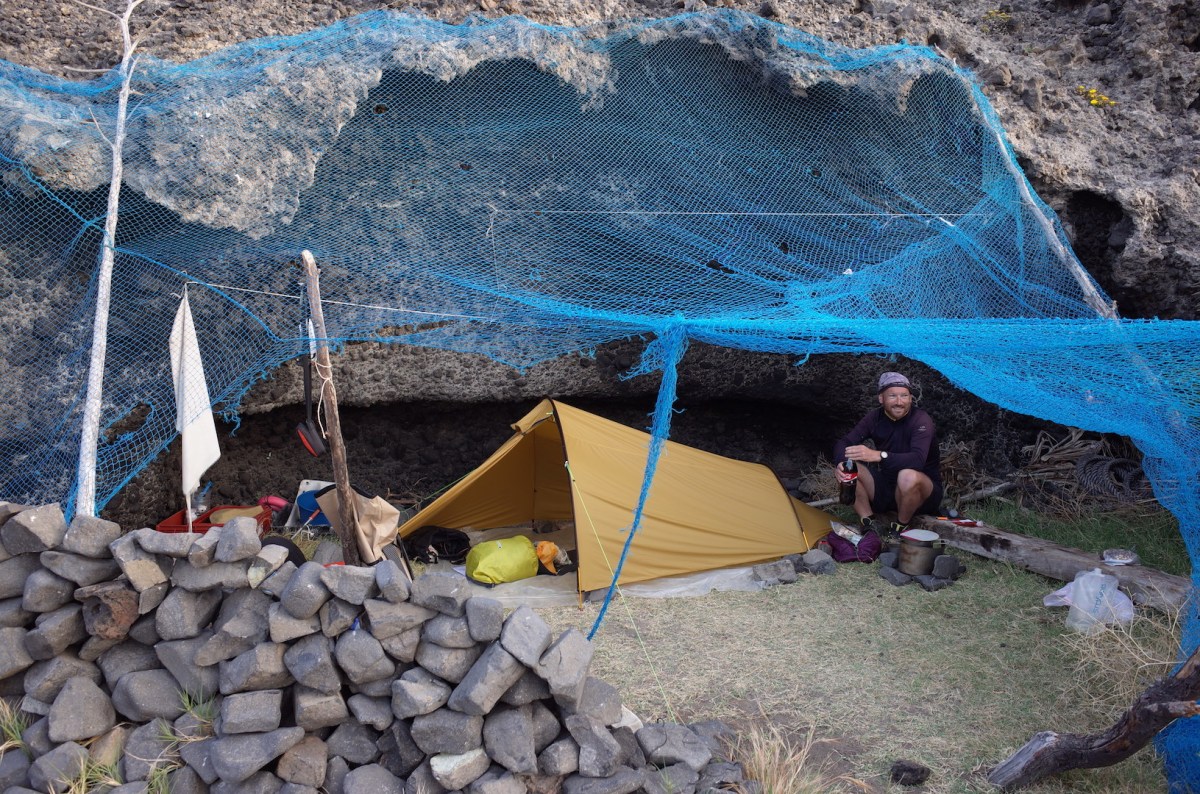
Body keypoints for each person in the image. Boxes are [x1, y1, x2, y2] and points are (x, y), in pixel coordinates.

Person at [833, 371, 942, 538]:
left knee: (907, 476)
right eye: (892, 396)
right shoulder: (874, 418)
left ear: (910, 399)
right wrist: (841, 464)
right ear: (881, 398)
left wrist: (880, 455)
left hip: (922, 495)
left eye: (904, 396)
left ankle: (900, 526)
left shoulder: (921, 420)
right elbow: (844, 442)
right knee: (849, 468)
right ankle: (869, 523)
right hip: (888, 489)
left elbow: (918, 460)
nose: (899, 402)